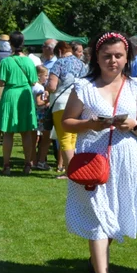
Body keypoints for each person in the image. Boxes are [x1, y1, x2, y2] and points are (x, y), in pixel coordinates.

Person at [60, 32, 137, 273]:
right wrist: (91, 123)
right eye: (107, 56)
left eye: (118, 56)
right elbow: (67, 122)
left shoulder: (135, 87)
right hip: (93, 157)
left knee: (114, 211)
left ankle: (96, 260)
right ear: (96, 58)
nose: (112, 61)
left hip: (125, 158)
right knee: (98, 216)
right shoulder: (84, 86)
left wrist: (133, 125)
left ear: (127, 58)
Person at [0, 32, 39, 175]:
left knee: (8, 132)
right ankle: (27, 165)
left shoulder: (6, 61)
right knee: (26, 133)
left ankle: (6, 166)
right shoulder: (30, 62)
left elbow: (0, 81)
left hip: (10, 94)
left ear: (10, 44)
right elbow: (34, 81)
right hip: (24, 95)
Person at [47, 40, 89, 176]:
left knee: (64, 139)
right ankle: (76, 169)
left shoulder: (58, 63)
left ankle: (70, 172)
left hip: (61, 103)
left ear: (59, 51)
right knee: (74, 138)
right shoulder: (82, 64)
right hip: (78, 103)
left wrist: (47, 87)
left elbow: (52, 87)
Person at [32, 66, 53, 170]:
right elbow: (39, 102)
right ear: (39, 76)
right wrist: (48, 100)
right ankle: (41, 161)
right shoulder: (39, 87)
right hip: (41, 115)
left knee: (34, 139)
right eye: (45, 75)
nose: (47, 77)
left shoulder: (32, 86)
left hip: (34, 114)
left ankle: (34, 161)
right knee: (46, 139)